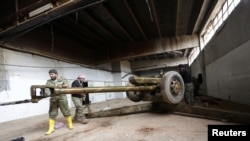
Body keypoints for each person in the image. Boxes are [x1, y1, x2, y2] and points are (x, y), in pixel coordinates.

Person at [44, 69, 73, 135]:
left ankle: (70, 124)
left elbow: (66, 85)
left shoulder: (62, 79)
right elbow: (46, 89)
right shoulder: (48, 82)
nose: (51, 76)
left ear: (56, 74)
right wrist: (47, 93)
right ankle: (51, 129)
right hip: (53, 99)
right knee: (52, 113)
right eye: (50, 74)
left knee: (66, 111)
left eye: (52, 74)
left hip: (62, 98)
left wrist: (64, 86)